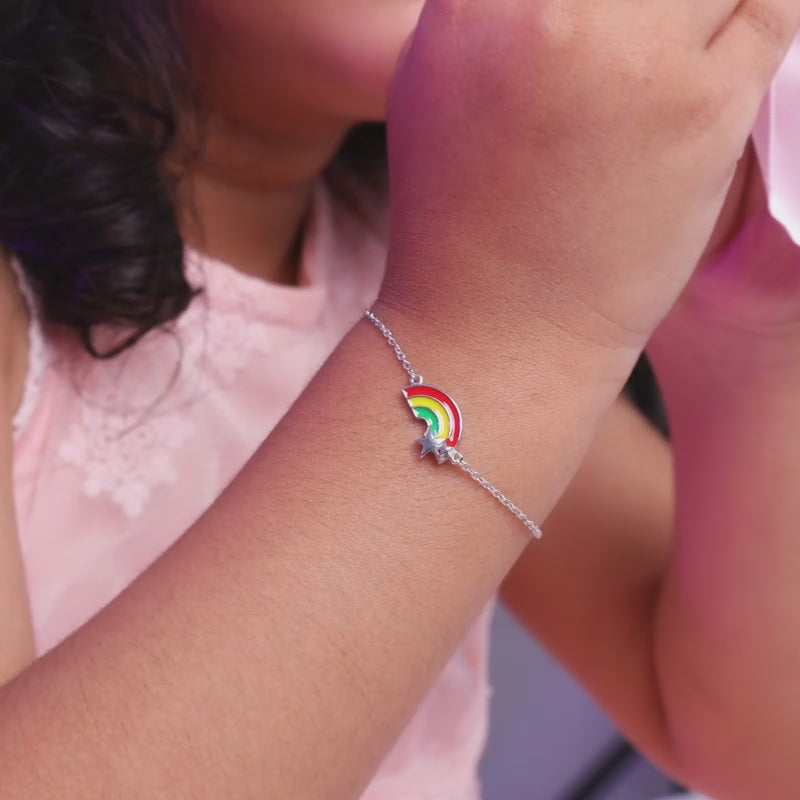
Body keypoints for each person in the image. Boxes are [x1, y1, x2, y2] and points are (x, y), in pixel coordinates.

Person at [0, 1, 798, 797]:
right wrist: (495, 337)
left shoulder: (419, 248)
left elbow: (755, 750)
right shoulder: (476, 293)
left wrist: (749, 325)